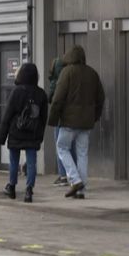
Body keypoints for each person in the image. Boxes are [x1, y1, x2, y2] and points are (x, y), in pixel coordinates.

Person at [50, 45, 105, 199]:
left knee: (62, 147)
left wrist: (53, 118)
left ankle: (75, 180)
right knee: (82, 154)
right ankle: (81, 188)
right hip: (86, 122)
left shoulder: (67, 72)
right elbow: (100, 98)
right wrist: (95, 116)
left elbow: (58, 98)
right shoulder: (92, 73)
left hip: (68, 121)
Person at [0, 63, 48, 203]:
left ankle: (12, 187)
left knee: (14, 160)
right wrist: (40, 136)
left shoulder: (16, 91)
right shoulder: (41, 94)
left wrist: (2, 136)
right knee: (32, 162)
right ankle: (29, 190)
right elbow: (43, 118)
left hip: (16, 132)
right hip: (32, 133)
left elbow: (7, 115)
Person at [48, 56, 71, 187]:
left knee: (60, 145)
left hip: (60, 117)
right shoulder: (72, 76)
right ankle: (72, 175)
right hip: (73, 118)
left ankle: (63, 176)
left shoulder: (56, 81)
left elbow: (52, 98)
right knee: (73, 148)